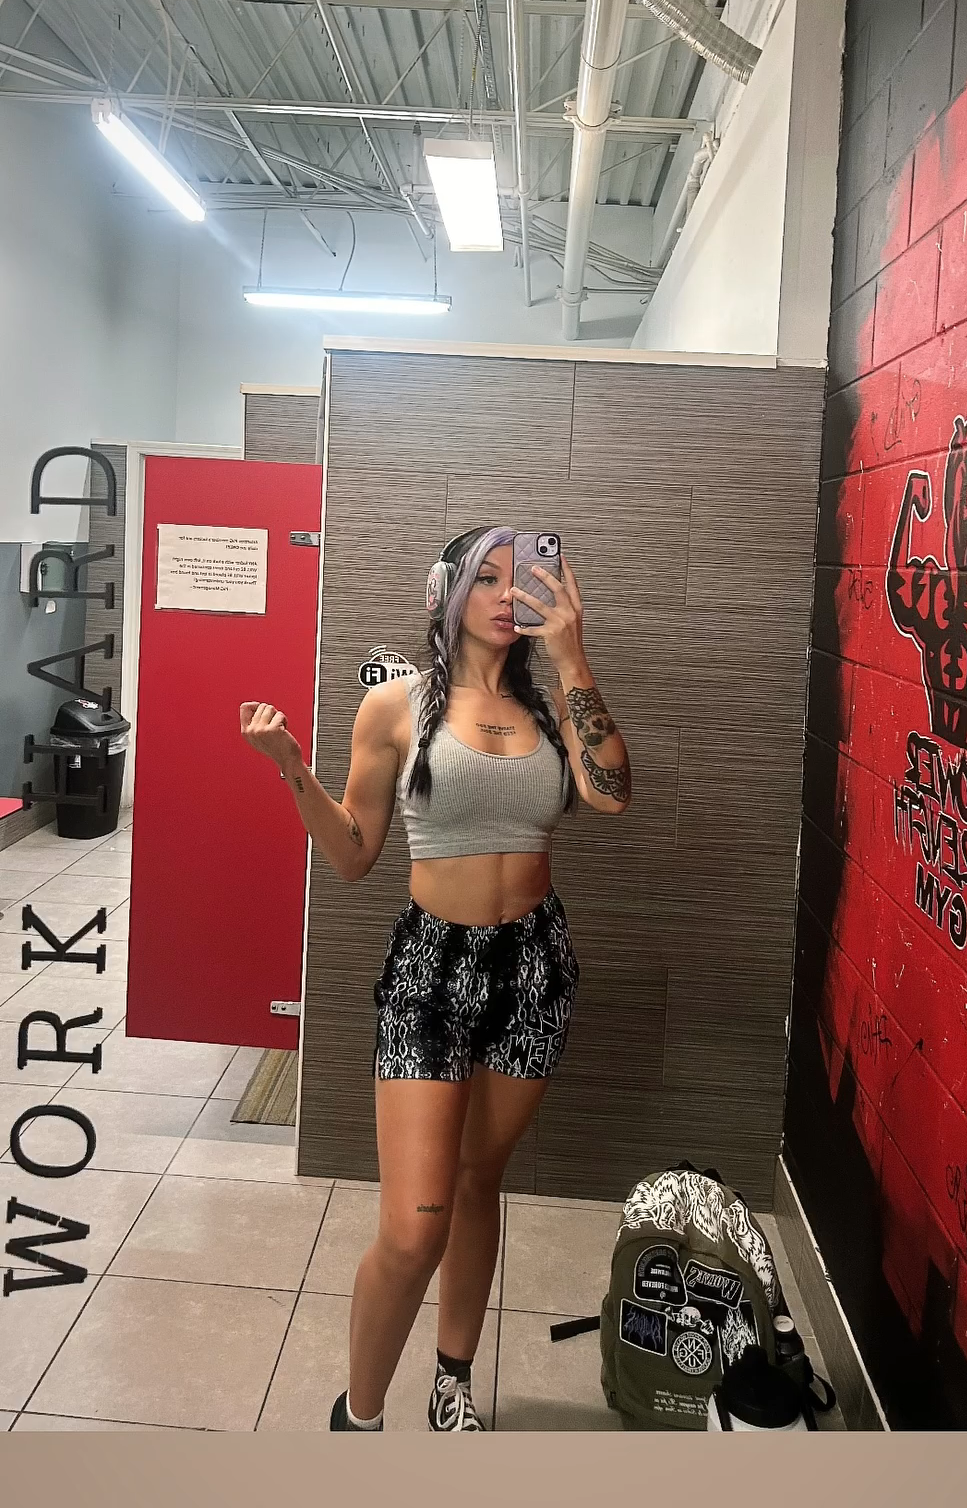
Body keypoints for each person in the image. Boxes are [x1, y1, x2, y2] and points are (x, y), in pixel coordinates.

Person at [239, 525, 631, 1432]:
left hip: (534, 969)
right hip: (429, 971)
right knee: (416, 1224)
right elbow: (353, 855)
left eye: (521, 579)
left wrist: (573, 657)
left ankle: (452, 1379)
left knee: (478, 1179)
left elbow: (612, 794)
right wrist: (292, 768)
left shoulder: (553, 708)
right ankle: (359, 1417)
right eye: (485, 577)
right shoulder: (396, 706)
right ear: (444, 592)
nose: (506, 595)